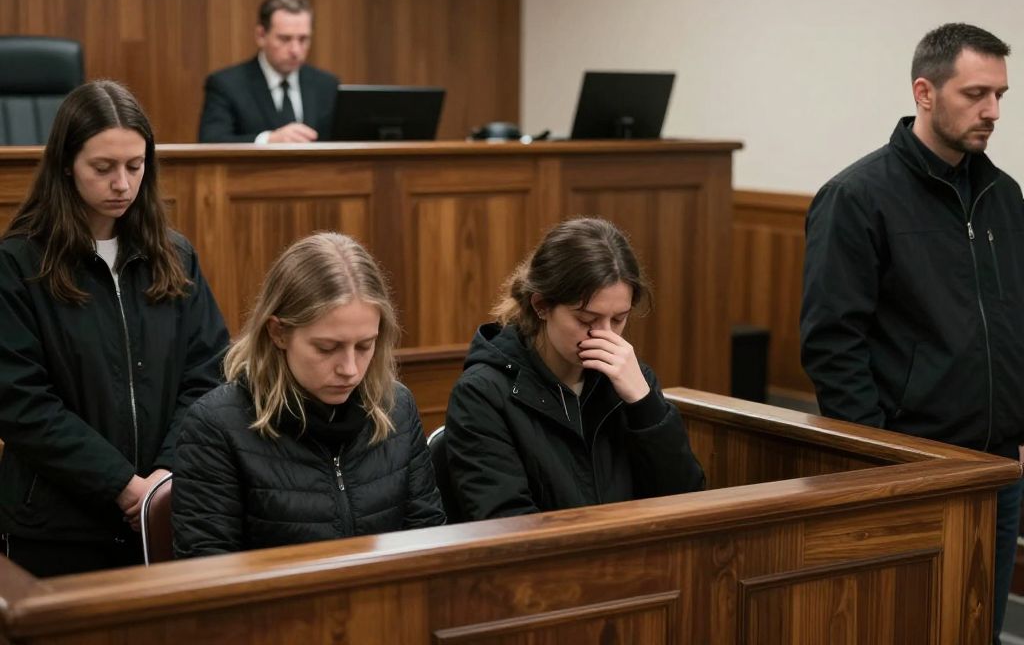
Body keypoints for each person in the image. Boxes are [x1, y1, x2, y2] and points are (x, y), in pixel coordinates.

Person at [800, 22, 1024, 644]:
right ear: (924, 93)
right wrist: (878, 458)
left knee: (976, 626)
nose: (993, 111)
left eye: (1001, 95)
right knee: (904, 626)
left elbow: (1012, 321)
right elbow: (830, 343)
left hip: (996, 468)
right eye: (975, 94)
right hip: (910, 465)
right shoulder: (856, 197)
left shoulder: (1005, 198)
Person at [0, 80, 229, 577]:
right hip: (59, 527)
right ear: (66, 164)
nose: (122, 184)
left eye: (135, 166)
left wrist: (165, 476)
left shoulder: (175, 255)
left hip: (165, 510)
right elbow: (21, 402)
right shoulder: (18, 264)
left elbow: (207, 374)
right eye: (103, 168)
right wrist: (123, 484)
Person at [172, 232, 444, 557]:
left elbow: (429, 547)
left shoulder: (396, 407)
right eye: (327, 348)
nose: (350, 369)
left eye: (365, 346)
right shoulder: (216, 426)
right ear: (278, 333)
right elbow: (210, 577)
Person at [444, 217, 705, 521]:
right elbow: (507, 527)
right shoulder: (482, 394)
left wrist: (645, 407)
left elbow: (687, 500)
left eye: (619, 319)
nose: (604, 335)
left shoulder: (634, 381)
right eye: (586, 320)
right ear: (541, 305)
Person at [197, 0, 338, 144]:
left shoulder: (327, 85)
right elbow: (211, 140)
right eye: (285, 39)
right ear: (261, 36)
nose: (295, 50)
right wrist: (268, 140)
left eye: (303, 39)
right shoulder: (227, 85)